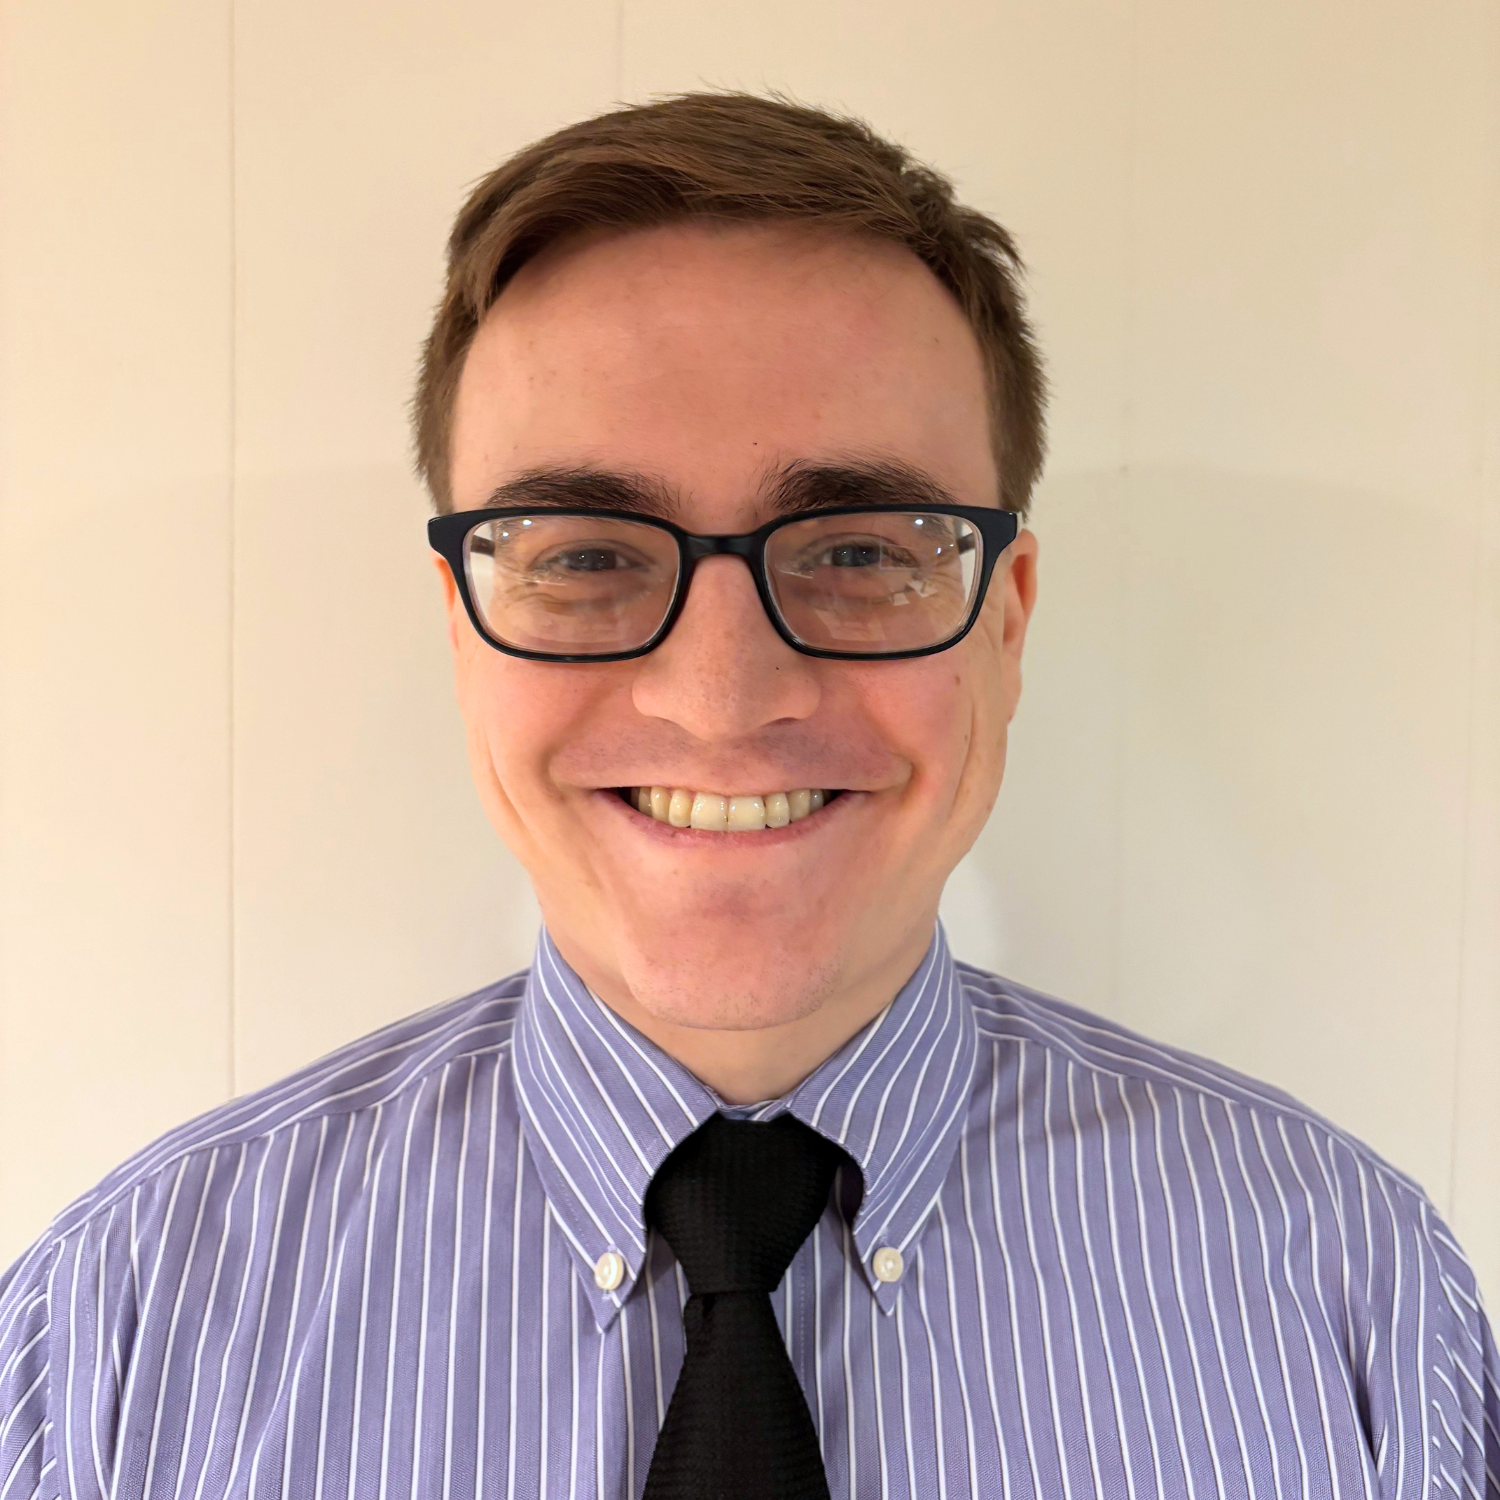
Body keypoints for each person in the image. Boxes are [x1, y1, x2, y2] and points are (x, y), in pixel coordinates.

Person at [0, 91, 1495, 1500]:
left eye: (857, 549)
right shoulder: (121, 1333)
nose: (721, 699)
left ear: (1009, 619)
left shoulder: (1349, 1297)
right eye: (584, 551)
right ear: (462, 624)